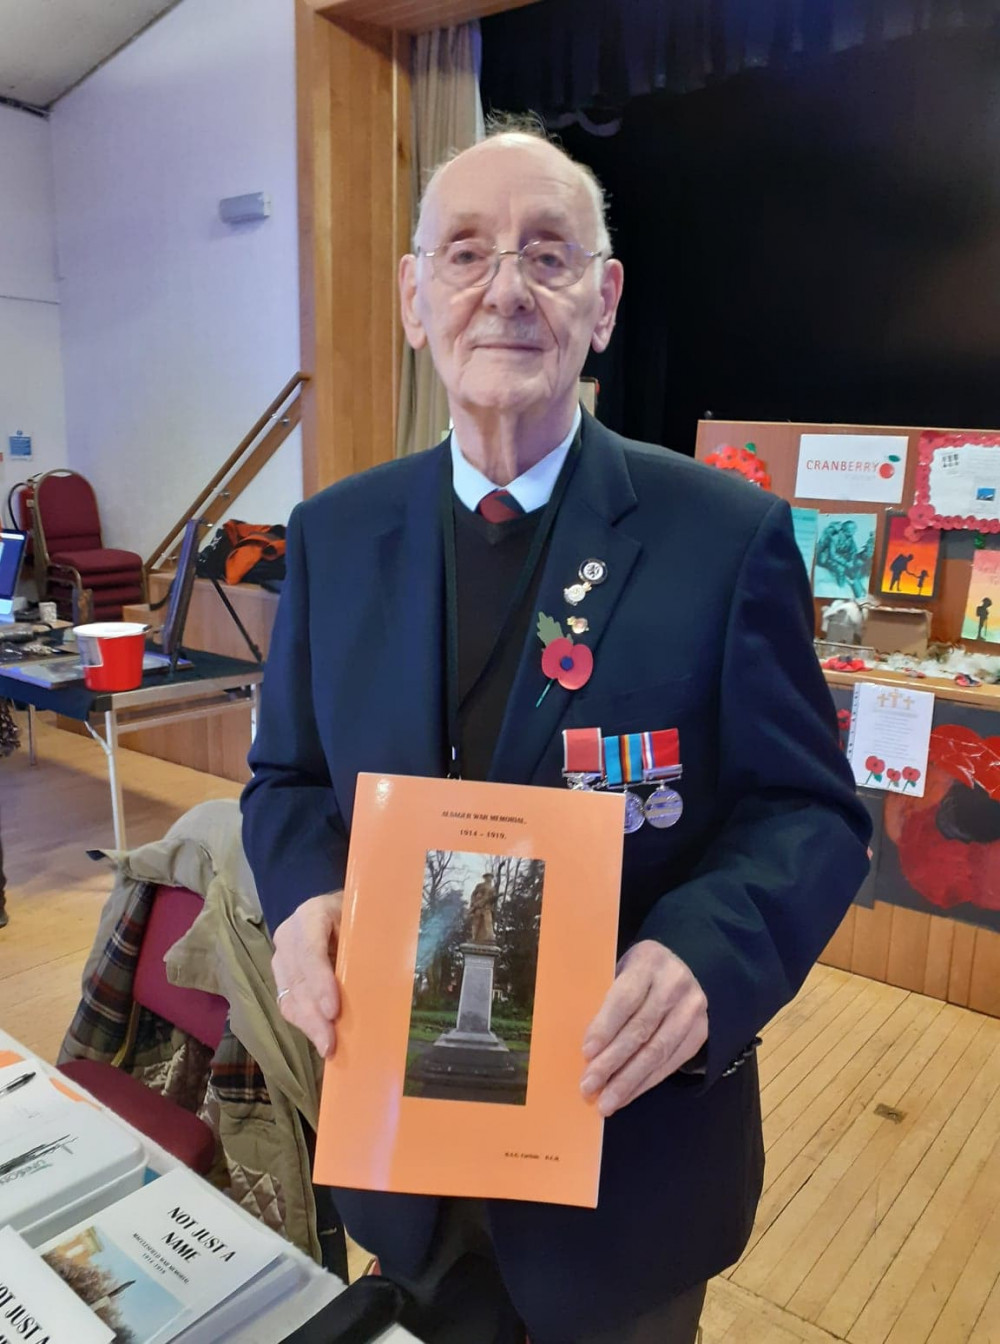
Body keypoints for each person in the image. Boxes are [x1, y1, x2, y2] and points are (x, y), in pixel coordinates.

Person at [242, 122, 871, 1344]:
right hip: (404, 1154)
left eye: (549, 253)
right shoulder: (333, 535)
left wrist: (704, 955)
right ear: (416, 297)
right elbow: (286, 780)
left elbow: (812, 813)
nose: (506, 290)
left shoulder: (723, 536)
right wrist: (306, 893)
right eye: (466, 253)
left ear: (604, 299)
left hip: (624, 1167)